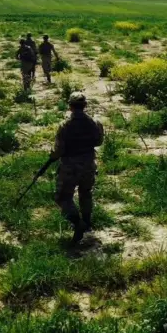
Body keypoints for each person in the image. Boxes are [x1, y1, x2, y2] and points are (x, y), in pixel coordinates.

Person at [35, 92, 104, 243]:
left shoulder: (65, 125)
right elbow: (98, 142)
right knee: (85, 193)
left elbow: (59, 150)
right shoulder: (95, 123)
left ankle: (78, 223)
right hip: (88, 164)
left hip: (69, 167)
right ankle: (87, 222)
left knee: (63, 197)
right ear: (85, 106)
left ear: (70, 106)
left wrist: (52, 157)